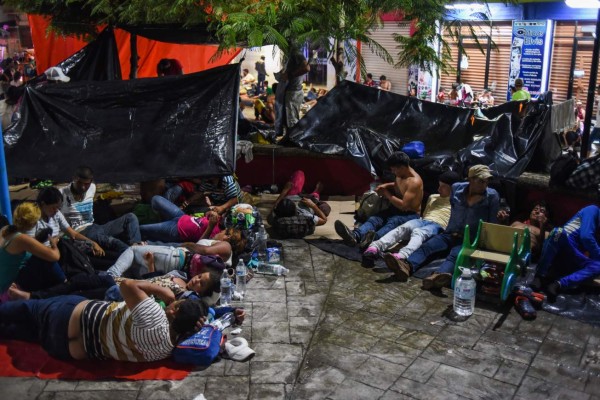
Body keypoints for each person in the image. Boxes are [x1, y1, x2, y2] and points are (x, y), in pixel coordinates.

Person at [0, 279, 207, 361]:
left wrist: (164, 291)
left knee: (17, 311)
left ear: (174, 311)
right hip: (67, 350)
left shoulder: (154, 316)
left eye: (177, 303)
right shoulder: (168, 349)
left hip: (67, 317)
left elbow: (127, 285)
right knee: (11, 330)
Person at [388, 165, 499, 287]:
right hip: (449, 232)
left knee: (455, 255)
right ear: (470, 179)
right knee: (427, 246)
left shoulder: (492, 196)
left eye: (487, 181)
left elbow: (491, 223)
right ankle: (407, 266)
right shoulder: (457, 189)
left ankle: (438, 276)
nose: (485, 184)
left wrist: (482, 244)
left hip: (468, 239)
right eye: (482, 181)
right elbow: (453, 207)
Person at [362, 171, 461, 268]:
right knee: (403, 228)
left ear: (453, 188)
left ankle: (401, 256)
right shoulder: (433, 197)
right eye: (439, 185)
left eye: (443, 187)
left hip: (438, 225)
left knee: (419, 232)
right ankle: (374, 248)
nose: (439, 189)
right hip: (423, 220)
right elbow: (426, 214)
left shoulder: (457, 202)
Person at [335, 152, 423, 249]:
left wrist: (386, 193)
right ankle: (355, 236)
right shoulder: (401, 174)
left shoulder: (414, 182)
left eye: (394, 170)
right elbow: (398, 185)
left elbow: (404, 206)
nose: (393, 172)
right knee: (375, 219)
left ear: (402, 167)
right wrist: (386, 185)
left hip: (409, 214)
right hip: (394, 208)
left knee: (392, 222)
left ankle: (371, 239)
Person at [60, 166, 142, 254]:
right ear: (74, 179)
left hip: (95, 227)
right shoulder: (61, 194)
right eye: (80, 183)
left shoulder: (92, 187)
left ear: (91, 181)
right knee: (116, 243)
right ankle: (137, 256)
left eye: (86, 184)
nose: (83, 187)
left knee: (131, 217)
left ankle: (137, 246)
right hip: (82, 232)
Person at [107, 227, 245, 278]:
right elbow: (201, 247)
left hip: (176, 258)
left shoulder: (226, 247)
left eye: (223, 231)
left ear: (227, 237)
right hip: (176, 266)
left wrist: (185, 244)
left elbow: (204, 250)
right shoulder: (220, 257)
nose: (219, 232)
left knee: (133, 250)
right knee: (129, 270)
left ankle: (109, 276)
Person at [533, 205, 600, 302]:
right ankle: (539, 275)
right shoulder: (593, 210)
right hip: (560, 248)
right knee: (558, 232)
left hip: (573, 258)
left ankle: (558, 284)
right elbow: (586, 237)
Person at [0, 202, 61, 299]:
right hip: (9, 290)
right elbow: (55, 256)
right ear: (33, 223)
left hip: (5, 283)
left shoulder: (5, 230)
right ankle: (64, 284)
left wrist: (36, 239)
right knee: (47, 260)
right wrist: (54, 243)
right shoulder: (22, 239)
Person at [275, 51, 310, 137]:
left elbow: (307, 68)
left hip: (293, 92)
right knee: (287, 118)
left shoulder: (297, 54)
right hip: (289, 91)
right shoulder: (290, 55)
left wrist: (289, 75)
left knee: (291, 119)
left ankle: (292, 139)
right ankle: (288, 137)